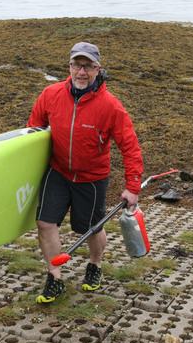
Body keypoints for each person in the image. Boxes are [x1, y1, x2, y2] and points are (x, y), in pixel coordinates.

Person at [27, 42, 143, 303]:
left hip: (92, 177)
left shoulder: (111, 106)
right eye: (77, 65)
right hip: (57, 172)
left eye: (88, 66)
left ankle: (95, 264)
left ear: (97, 69)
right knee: (45, 223)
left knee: (90, 228)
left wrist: (132, 186)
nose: (82, 72)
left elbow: (130, 145)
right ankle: (54, 277)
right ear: (69, 66)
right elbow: (33, 132)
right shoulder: (50, 94)